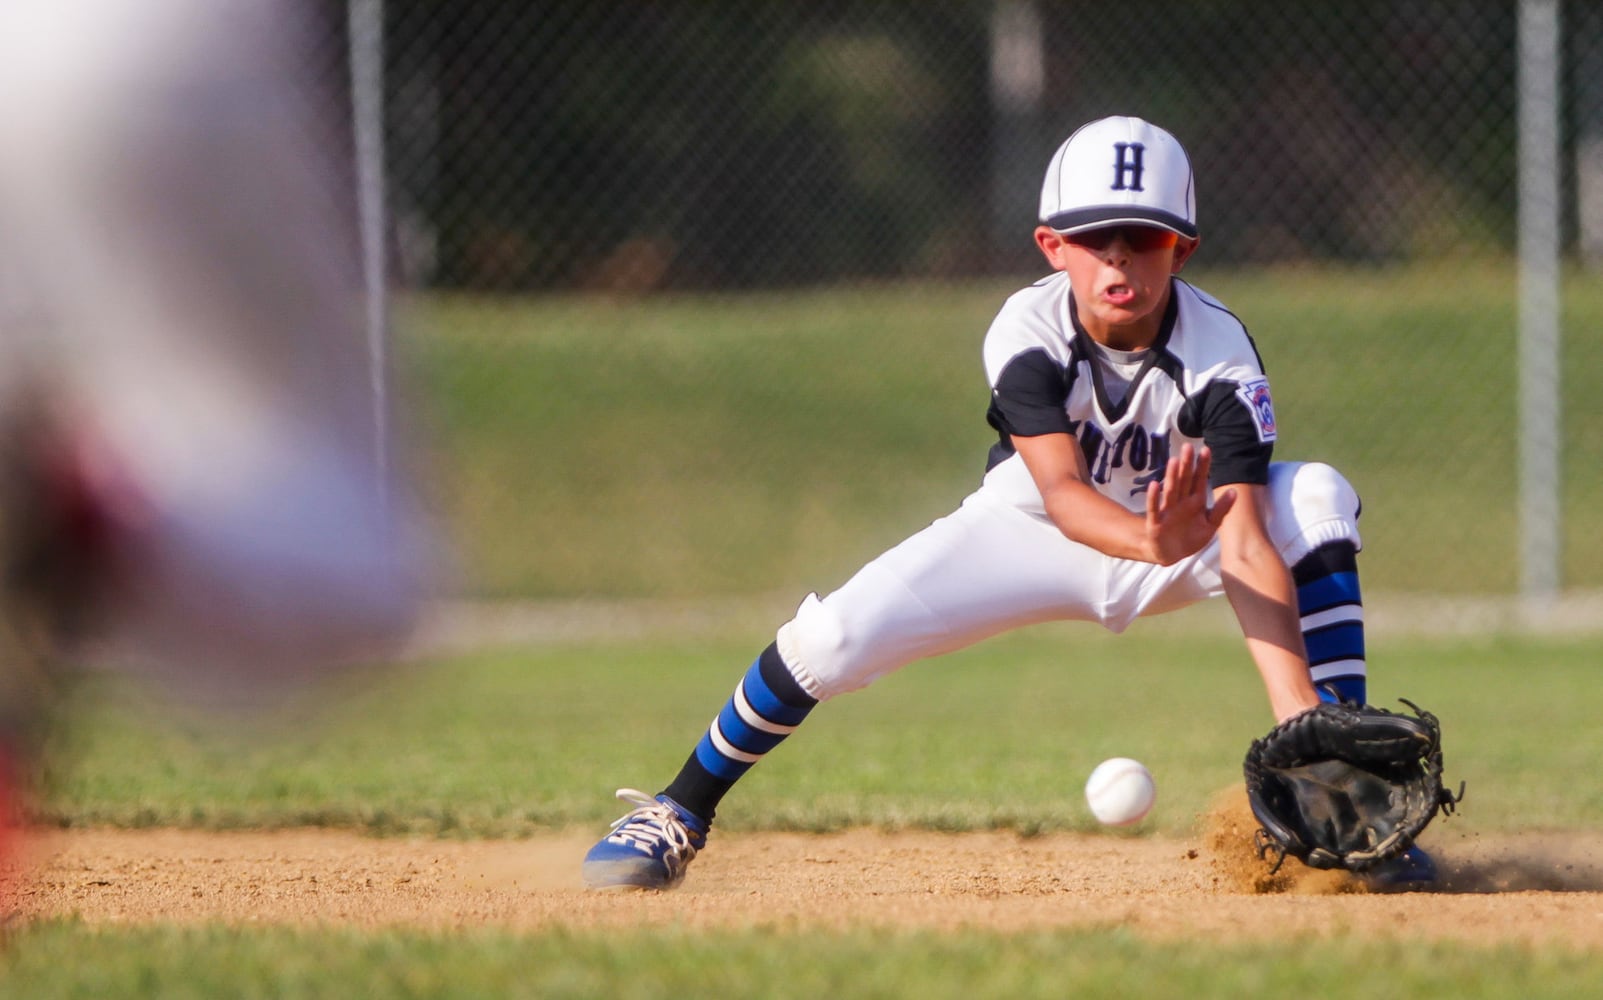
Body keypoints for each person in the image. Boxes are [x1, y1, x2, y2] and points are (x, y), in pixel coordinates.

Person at [581, 116, 1433, 892]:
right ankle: (677, 809)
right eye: (1092, 238)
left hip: (1187, 538)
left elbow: (1245, 542)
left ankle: (1344, 792)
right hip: (1029, 530)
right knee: (829, 639)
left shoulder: (1221, 356)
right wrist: (1149, 537)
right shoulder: (1026, 329)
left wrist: (1296, 720)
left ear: (1183, 248)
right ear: (1050, 245)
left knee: (1314, 494)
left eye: (1141, 237)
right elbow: (1061, 496)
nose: (1117, 260)